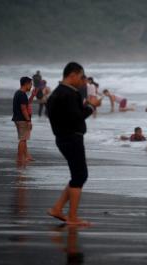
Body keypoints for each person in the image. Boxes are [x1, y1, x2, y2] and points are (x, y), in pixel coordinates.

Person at [46, 62, 101, 226]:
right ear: (73, 75)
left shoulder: (56, 93)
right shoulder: (70, 93)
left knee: (76, 175)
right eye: (81, 76)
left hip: (62, 137)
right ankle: (72, 217)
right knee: (80, 176)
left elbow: (66, 115)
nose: (82, 80)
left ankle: (57, 209)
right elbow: (77, 117)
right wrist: (92, 106)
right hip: (71, 137)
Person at [12, 77, 34, 163]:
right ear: (26, 84)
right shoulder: (22, 94)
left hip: (18, 118)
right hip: (22, 119)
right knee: (23, 140)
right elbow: (23, 109)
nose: (31, 86)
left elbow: (27, 103)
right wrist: (28, 121)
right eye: (30, 84)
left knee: (23, 138)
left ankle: (26, 156)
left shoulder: (19, 93)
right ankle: (20, 158)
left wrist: (32, 96)